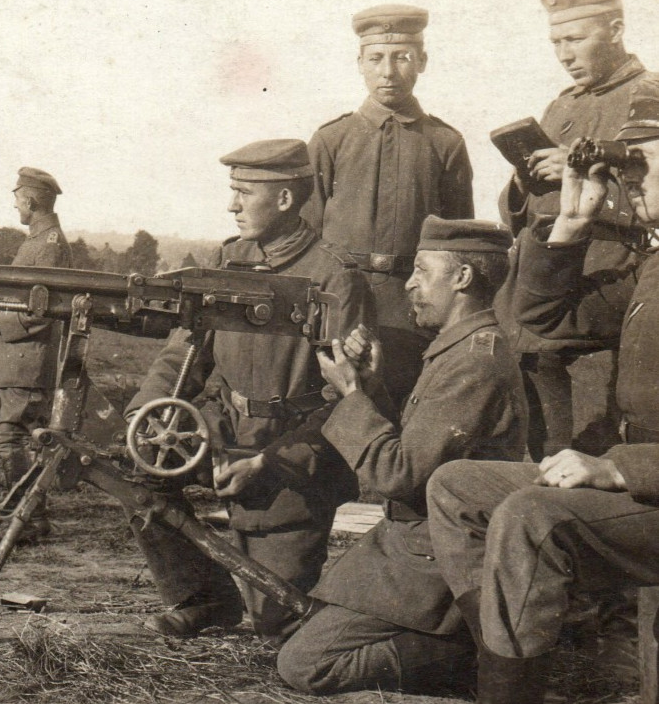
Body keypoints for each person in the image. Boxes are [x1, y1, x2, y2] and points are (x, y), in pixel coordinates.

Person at [426, 80, 659, 704]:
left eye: (643, 161)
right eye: (625, 163)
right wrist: (571, 230)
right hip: (644, 482)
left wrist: (617, 468)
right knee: (458, 488)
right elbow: (542, 321)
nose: (626, 179)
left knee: (533, 517)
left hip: (648, 480)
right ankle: (507, 665)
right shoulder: (651, 263)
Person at [125, 139, 375, 644]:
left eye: (243, 193)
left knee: (277, 624)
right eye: (231, 191)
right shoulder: (227, 258)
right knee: (138, 467)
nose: (232, 205)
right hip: (224, 432)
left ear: (285, 199)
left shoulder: (334, 277)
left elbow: (342, 404)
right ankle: (207, 597)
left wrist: (268, 463)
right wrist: (146, 415)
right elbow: (183, 353)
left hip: (291, 456)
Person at [277, 216, 527, 694]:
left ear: (462, 278)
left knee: (306, 666)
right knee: (304, 637)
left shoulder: (473, 363)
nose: (409, 283)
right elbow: (420, 453)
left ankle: (470, 658)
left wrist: (351, 398)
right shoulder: (456, 351)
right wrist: (371, 389)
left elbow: (398, 475)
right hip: (416, 541)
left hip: (439, 555)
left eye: (421, 270)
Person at [495, 0, 658, 461]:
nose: (564, 54)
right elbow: (522, 216)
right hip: (539, 305)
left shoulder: (648, 101)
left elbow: (651, 204)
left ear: (616, 28)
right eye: (556, 42)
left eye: (575, 39)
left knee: (589, 453)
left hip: (601, 308)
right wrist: (526, 183)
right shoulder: (563, 106)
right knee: (534, 457)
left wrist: (587, 178)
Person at [301, 4, 474, 409]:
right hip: (339, 304)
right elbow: (307, 239)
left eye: (402, 57)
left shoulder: (445, 143)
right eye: (376, 58)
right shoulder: (331, 140)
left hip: (413, 309)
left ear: (423, 62)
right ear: (360, 62)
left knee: (400, 409)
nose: (388, 71)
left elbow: (458, 241)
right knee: (328, 413)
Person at [0, 168, 71, 511]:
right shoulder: (38, 241)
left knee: (10, 435)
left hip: (27, 360)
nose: (15, 207)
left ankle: (24, 516)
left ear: (30, 201)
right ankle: (29, 512)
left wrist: (2, 322)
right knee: (28, 434)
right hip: (22, 360)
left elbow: (43, 310)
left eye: (18, 200)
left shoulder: (48, 246)